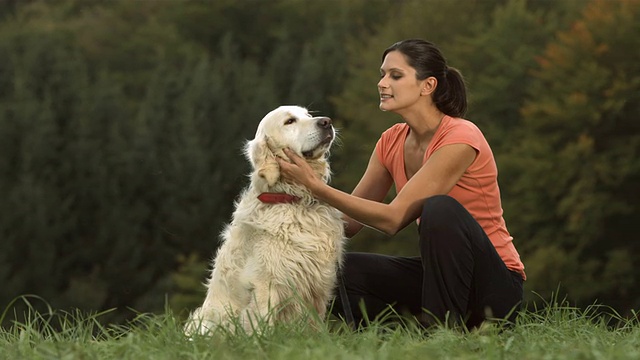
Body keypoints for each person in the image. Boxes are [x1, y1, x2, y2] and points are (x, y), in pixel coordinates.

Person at [276, 39, 525, 330]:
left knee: (440, 209)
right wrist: (280, 224)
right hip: (440, 280)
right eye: (382, 74)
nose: (382, 83)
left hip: (494, 286)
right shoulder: (391, 141)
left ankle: (439, 334)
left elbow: (394, 219)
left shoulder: (461, 137)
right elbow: (348, 223)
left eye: (395, 76)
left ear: (427, 85)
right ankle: (392, 334)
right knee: (332, 271)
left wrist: (316, 186)